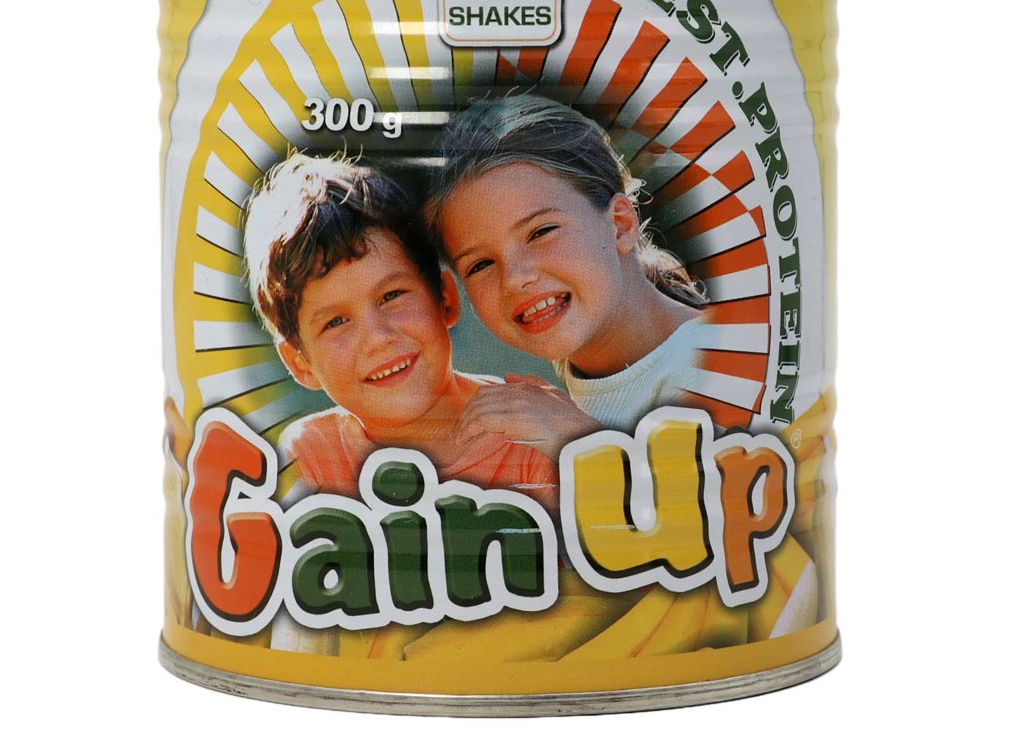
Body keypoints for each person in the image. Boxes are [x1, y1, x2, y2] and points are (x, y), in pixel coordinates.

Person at [242, 151, 557, 511]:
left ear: (445, 298)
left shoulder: (532, 431)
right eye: (336, 322)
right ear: (301, 364)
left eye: (391, 296)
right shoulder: (309, 457)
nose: (378, 338)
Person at [425, 94, 708, 443]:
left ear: (620, 224)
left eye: (541, 232)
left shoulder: (718, 368)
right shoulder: (579, 369)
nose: (514, 278)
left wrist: (575, 437)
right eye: (481, 264)